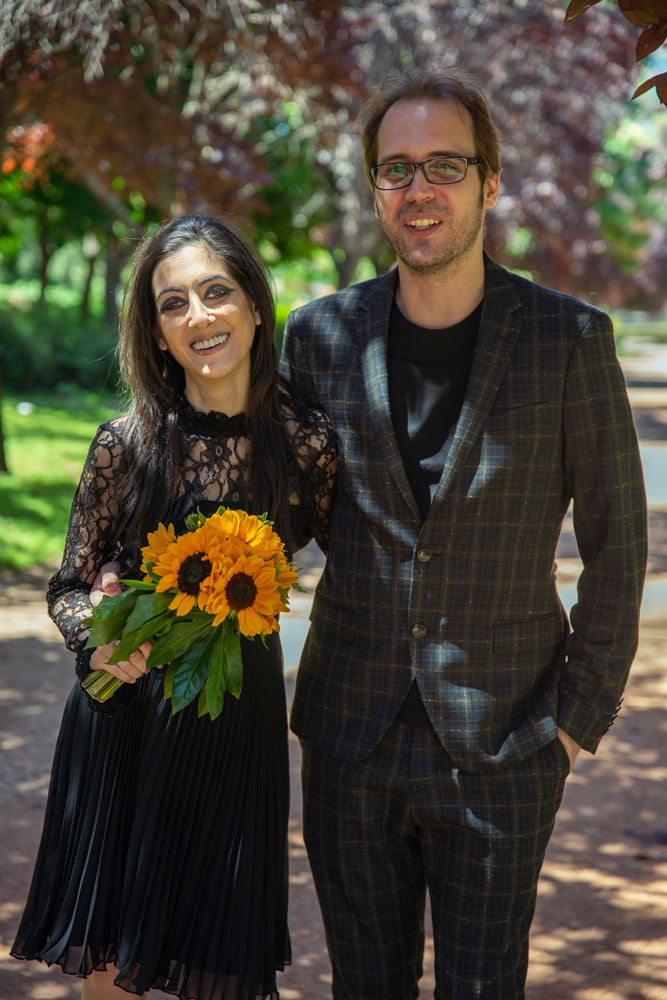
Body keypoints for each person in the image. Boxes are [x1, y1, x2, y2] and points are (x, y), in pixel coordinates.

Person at [279, 67, 648, 999]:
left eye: (444, 164)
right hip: (348, 740)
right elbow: (269, 515)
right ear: (373, 188)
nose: (419, 188)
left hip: (507, 740)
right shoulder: (317, 339)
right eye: (396, 168)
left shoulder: (568, 341)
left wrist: (573, 723)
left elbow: (617, 544)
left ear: (489, 182)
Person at [11, 213, 337, 1000]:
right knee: (112, 976)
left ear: (256, 307)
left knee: (217, 965)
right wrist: (97, 638)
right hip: (123, 720)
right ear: (157, 334)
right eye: (173, 303)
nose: (199, 317)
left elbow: (365, 566)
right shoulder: (122, 445)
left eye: (216, 293)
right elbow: (66, 588)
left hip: (236, 724)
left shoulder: (306, 446)